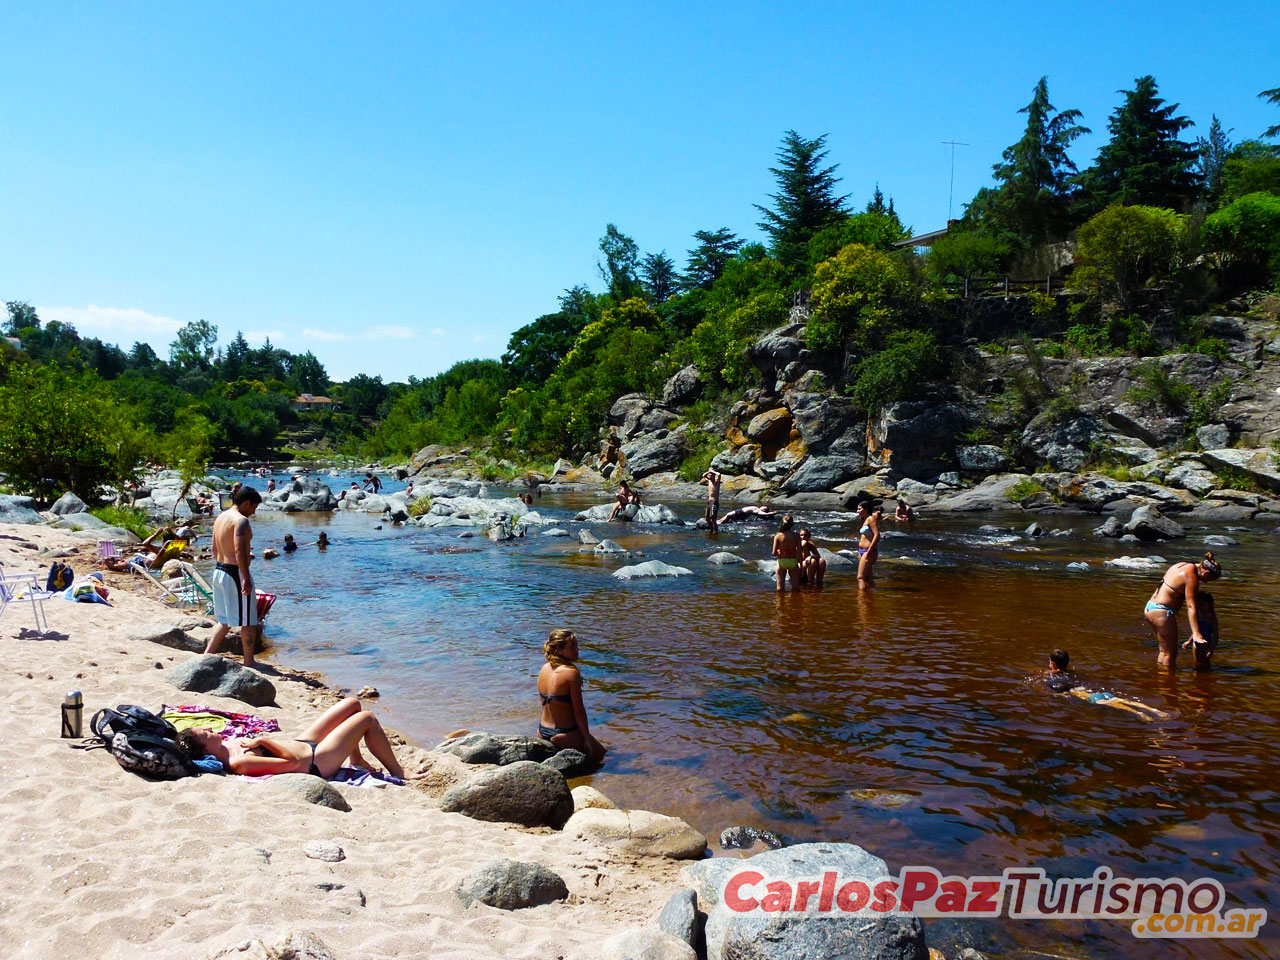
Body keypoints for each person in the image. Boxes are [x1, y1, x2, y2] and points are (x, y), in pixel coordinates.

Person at [176, 696, 411, 780]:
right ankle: (397, 771)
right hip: (316, 762)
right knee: (367, 718)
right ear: (206, 750)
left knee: (353, 705)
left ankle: (356, 759)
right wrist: (263, 742)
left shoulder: (227, 745)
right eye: (205, 734)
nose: (209, 729)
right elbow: (292, 764)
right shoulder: (239, 762)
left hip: (301, 743)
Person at [205, 486, 263, 669]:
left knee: (224, 620)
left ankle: (206, 655)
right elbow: (239, 550)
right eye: (254, 507)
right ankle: (249, 661)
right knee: (248, 621)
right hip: (235, 573)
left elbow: (215, 548)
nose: (254, 512)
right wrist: (245, 577)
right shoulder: (241, 521)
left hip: (219, 570)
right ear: (246, 503)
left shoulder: (221, 517)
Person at [537, 629, 606, 765]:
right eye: (572, 646)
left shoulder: (544, 668)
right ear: (559, 651)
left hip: (542, 731)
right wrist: (586, 738)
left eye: (577, 645)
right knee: (603, 756)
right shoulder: (571, 673)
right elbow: (578, 711)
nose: (577, 649)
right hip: (564, 734)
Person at [1144, 552, 1223, 669]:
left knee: (1164, 652)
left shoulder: (1182, 565)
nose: (1205, 582)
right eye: (1208, 580)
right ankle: (1167, 684)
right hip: (1162, 612)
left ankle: (1161, 680)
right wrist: (1196, 633)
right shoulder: (1192, 576)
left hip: (1151, 607)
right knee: (1169, 654)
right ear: (1206, 572)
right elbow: (1191, 606)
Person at [1045, 650, 1168, 720]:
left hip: (1090, 697)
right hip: (1098, 692)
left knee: (1117, 705)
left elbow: (1063, 693)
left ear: (1053, 664)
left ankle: (1140, 714)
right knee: (1122, 700)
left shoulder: (1052, 679)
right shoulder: (1074, 673)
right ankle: (1154, 710)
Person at [771, 514, 803, 592]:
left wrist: (779, 551)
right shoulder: (796, 536)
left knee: (780, 589)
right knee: (796, 588)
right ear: (792, 524)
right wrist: (801, 564)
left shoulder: (778, 536)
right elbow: (799, 552)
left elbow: (774, 553)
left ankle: (780, 603)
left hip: (782, 561)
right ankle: (795, 602)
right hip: (793, 561)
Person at [855, 500, 881, 590]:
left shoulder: (871, 518)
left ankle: (861, 601)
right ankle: (870, 600)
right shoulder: (865, 520)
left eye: (859, 509)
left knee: (860, 578)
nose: (857, 511)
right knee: (868, 579)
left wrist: (870, 549)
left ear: (865, 509)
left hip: (868, 551)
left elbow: (877, 535)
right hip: (862, 552)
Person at [701, 468, 723, 533]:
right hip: (709, 502)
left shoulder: (717, 482)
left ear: (713, 476)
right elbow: (703, 475)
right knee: (707, 518)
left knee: (713, 518)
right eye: (709, 475)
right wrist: (708, 472)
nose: (709, 476)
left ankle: (715, 532)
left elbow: (719, 474)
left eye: (710, 475)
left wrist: (712, 471)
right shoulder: (709, 481)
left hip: (714, 502)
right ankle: (711, 530)